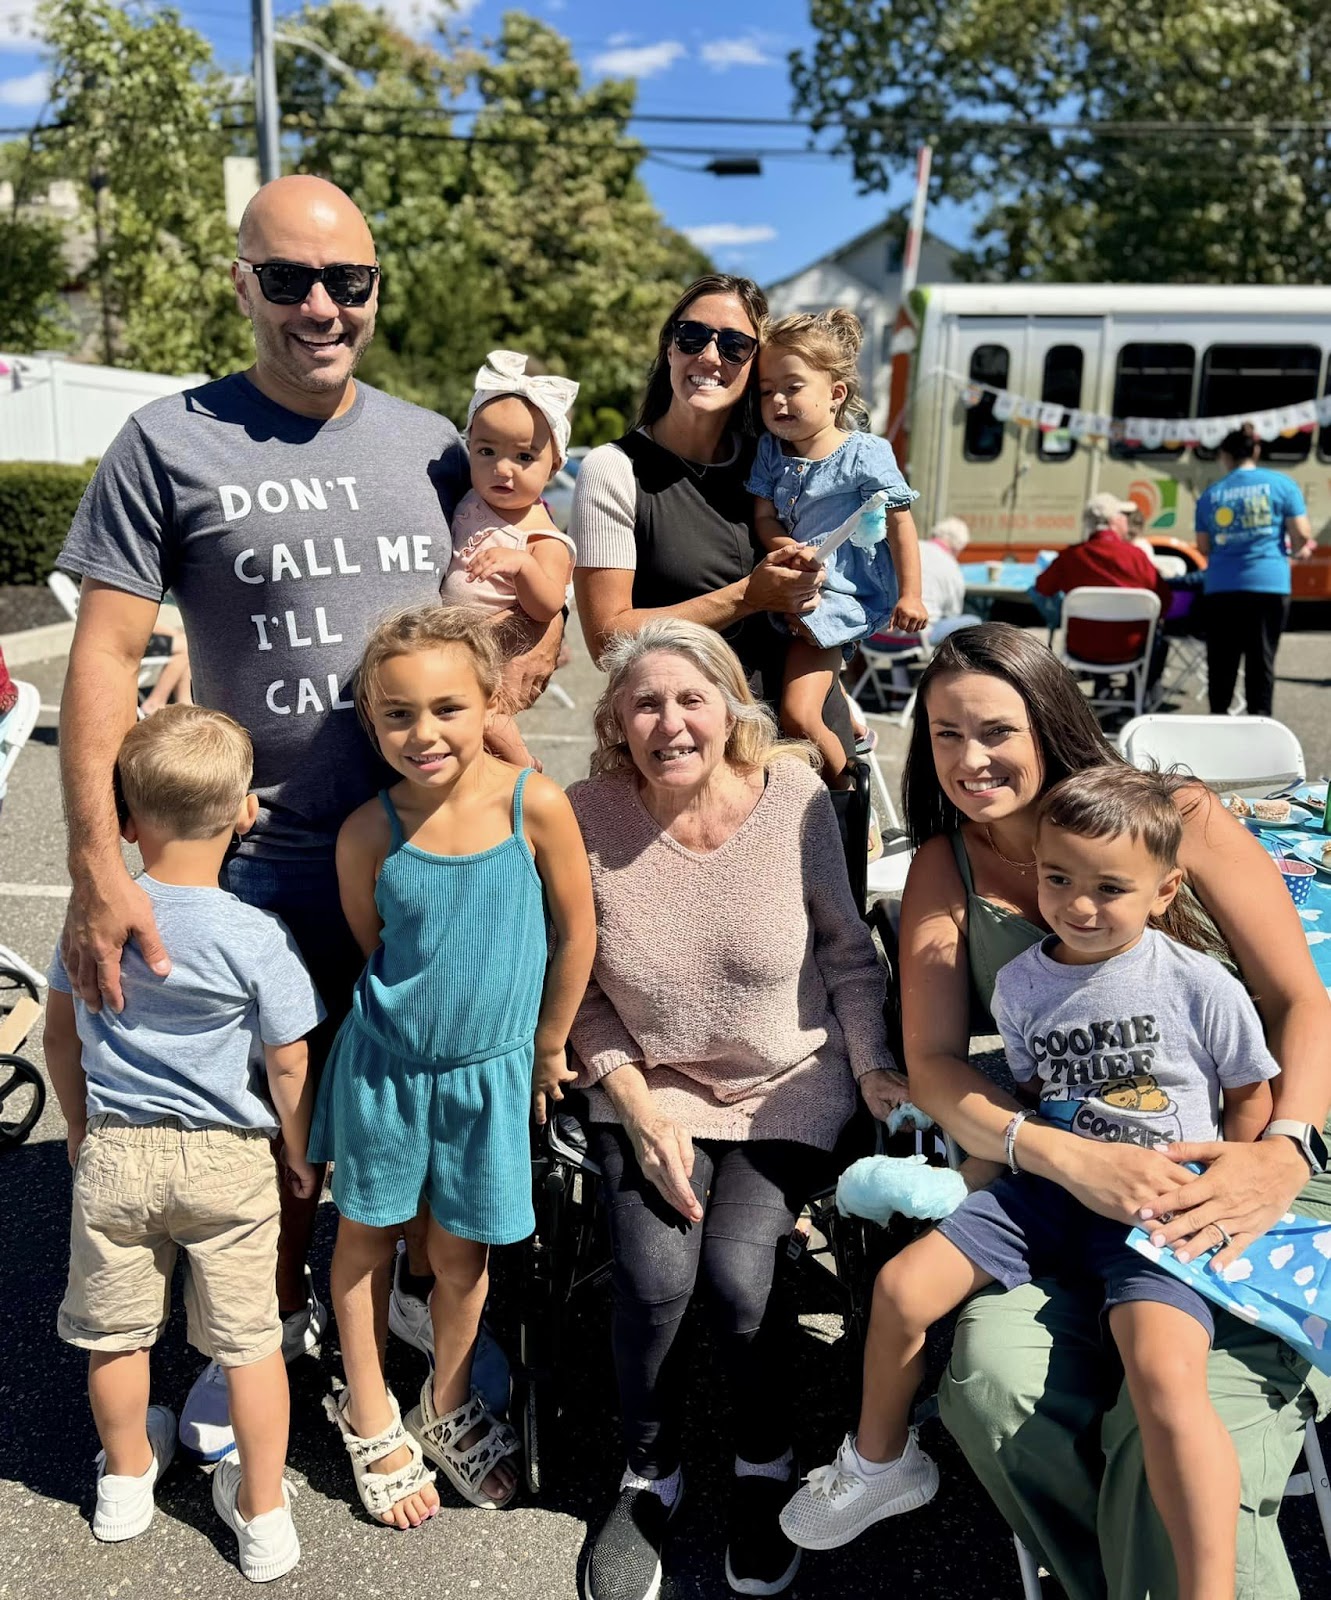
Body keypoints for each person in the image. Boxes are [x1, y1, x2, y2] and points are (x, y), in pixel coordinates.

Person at [53, 174, 553, 1448]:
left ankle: (394, 1319)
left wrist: (532, 653)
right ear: (243, 285)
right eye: (289, 280)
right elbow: (105, 658)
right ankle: (257, 1337)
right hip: (251, 861)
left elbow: (498, 583)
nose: (322, 305)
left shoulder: (432, 439)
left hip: (421, 854)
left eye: (350, 282)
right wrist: (100, 862)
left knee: (415, 1103)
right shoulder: (167, 442)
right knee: (260, 1130)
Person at [875, 622, 1331, 1600]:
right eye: (943, 734)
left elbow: (1300, 1001)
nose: (966, 758)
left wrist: (1284, 1148)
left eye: (992, 730)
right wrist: (1050, 1154)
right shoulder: (943, 868)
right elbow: (931, 1064)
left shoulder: (1174, 814)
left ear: (1048, 721)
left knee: (1164, 1411)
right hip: (1070, 1183)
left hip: (1255, 1157)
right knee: (990, 1389)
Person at [783, 765, 1278, 1600]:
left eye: (1108, 888)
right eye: (1058, 879)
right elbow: (1033, 1094)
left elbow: (1249, 1094)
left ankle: (1207, 1588)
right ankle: (880, 1463)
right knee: (902, 1287)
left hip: (1159, 1203)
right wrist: (980, 1183)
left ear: (1165, 891)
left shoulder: (1197, 982)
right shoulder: (1019, 984)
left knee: (1161, 1373)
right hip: (1051, 1192)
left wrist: (1224, 1194)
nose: (1078, 905)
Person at [567, 619, 907, 1600]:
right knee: (654, 1267)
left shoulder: (791, 797)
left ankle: (763, 1461)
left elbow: (847, 950)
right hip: (649, 1083)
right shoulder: (584, 814)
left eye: (689, 698)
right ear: (615, 724)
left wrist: (875, 1065)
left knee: (737, 1272)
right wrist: (630, 1098)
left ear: (728, 708)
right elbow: (578, 986)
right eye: (643, 704)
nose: (668, 721)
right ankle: (650, 1469)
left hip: (786, 1079)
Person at [310, 604, 595, 1529]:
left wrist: (550, 1041)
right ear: (370, 720)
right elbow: (375, 947)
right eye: (397, 715)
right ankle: (367, 1410)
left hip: (491, 1077)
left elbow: (574, 930)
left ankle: (445, 1400)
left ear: (489, 703)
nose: (422, 733)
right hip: (386, 1073)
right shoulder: (367, 832)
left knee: (460, 1252)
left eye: (445, 709)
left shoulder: (534, 803)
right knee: (362, 1241)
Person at [41, 706, 323, 1582]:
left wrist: (81, 1127)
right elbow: (288, 1061)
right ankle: (264, 1511)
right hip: (228, 1157)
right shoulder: (254, 936)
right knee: (248, 1342)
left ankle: (126, 1482)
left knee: (117, 1335)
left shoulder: (91, 920)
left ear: (125, 820)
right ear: (245, 814)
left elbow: (58, 1035)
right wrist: (300, 1149)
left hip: (119, 1152)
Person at [570, 273, 856, 755]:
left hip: (807, 743)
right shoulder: (614, 469)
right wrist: (748, 596)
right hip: (689, 755)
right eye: (692, 336)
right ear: (669, 349)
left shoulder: (779, 460)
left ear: (754, 365)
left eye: (735, 346)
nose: (708, 356)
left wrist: (835, 690)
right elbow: (606, 641)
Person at [748, 308, 927, 785]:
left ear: (835, 394)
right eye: (766, 391)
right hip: (785, 588)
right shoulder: (771, 451)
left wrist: (912, 594)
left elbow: (900, 523)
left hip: (834, 601)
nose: (778, 401)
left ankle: (850, 789)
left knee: (798, 717)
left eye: (792, 387)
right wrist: (786, 546)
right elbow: (763, 517)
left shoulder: (864, 452)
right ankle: (849, 720)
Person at [442, 350, 579, 769]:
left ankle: (524, 765)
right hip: (455, 642)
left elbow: (548, 604)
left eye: (524, 457)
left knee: (489, 716)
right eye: (486, 452)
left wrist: (523, 566)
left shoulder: (542, 536)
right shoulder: (470, 497)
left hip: (495, 650)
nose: (503, 469)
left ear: (554, 464)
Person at [1195, 426, 1316, 718]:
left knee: (1222, 662)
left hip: (1222, 587)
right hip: (1269, 583)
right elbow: (1301, 534)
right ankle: (1259, 725)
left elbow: (1203, 547)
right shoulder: (1282, 485)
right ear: (1256, 451)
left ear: (1225, 456)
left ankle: (1218, 723)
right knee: (1261, 660)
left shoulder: (1211, 494)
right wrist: (1300, 551)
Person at [1033, 492, 1173, 685]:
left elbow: (1043, 587)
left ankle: (1104, 688)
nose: (1126, 520)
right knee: (1156, 638)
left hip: (1081, 648)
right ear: (1114, 521)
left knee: (1096, 631)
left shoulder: (1070, 557)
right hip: (1129, 649)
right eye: (1123, 516)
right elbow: (1164, 602)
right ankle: (1134, 695)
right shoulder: (1136, 556)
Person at [917, 516, 983, 644]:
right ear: (959, 546)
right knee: (974, 621)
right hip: (917, 636)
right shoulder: (952, 567)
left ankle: (899, 664)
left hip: (878, 636)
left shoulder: (912, 547)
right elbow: (952, 613)